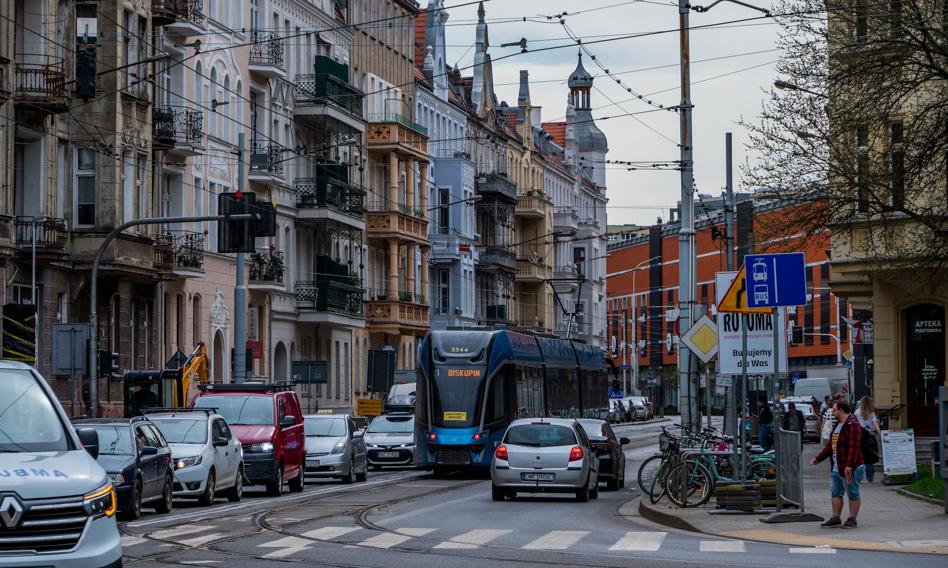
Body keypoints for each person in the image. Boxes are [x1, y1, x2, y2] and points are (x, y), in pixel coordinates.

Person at [811, 400, 865, 529]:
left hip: (850, 467)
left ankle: (852, 519)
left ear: (841, 410)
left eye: (834, 410)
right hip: (837, 466)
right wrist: (817, 459)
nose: (832, 412)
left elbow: (854, 447)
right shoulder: (838, 425)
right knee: (835, 492)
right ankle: (836, 517)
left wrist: (849, 466)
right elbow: (830, 446)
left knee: (852, 492)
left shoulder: (852, 424)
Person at [856, 396, 882, 482]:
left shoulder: (857, 412)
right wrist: (879, 432)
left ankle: (859, 476)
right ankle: (870, 477)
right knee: (870, 456)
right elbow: (875, 422)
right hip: (869, 436)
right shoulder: (871, 412)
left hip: (860, 435)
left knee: (860, 456)